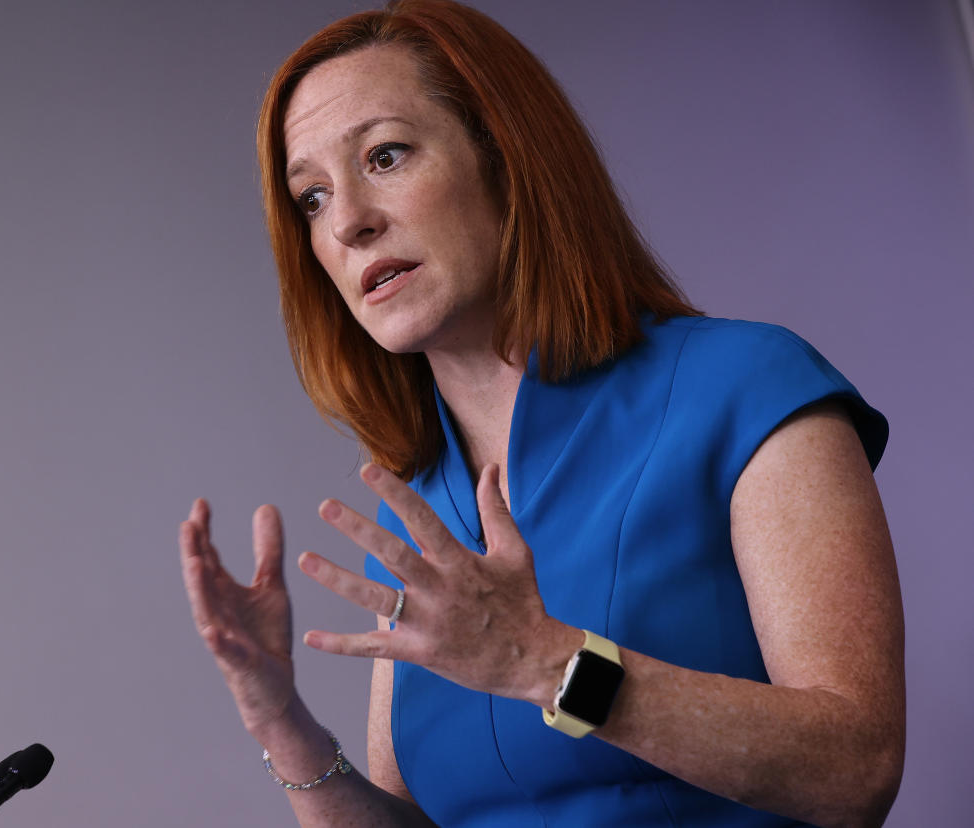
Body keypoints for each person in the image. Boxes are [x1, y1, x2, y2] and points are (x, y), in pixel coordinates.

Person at [179, 1, 905, 825]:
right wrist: (281, 721)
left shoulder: (745, 387)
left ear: (506, 158)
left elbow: (858, 766)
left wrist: (543, 661)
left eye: (385, 156)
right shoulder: (416, 501)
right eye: (310, 198)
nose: (348, 221)